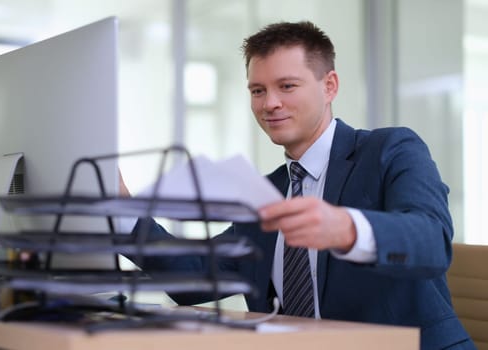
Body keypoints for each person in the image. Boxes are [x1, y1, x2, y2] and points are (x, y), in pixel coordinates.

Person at [126, 21, 473, 349]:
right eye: (257, 91)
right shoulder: (267, 192)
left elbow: (432, 241)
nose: (269, 104)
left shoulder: (391, 150)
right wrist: (122, 210)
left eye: (287, 86)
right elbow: (193, 277)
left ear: (330, 86)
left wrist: (348, 229)